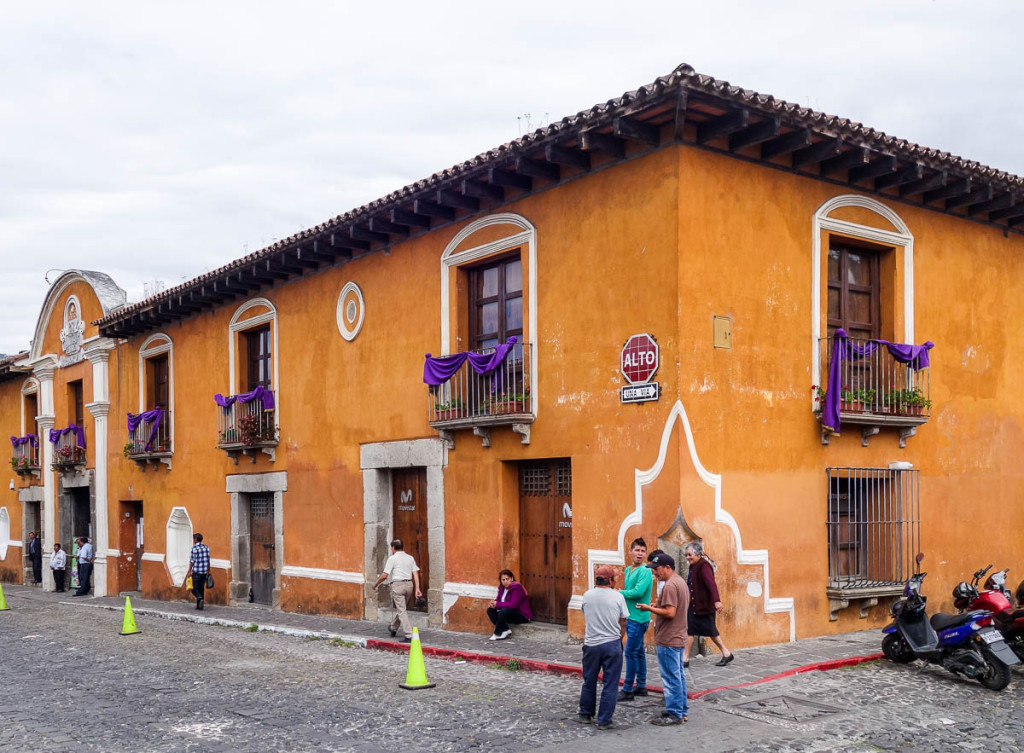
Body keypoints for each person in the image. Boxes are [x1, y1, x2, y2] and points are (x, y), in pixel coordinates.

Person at [637, 552, 689, 726]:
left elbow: (670, 612)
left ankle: (675, 713)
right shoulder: (680, 581)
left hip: (669, 638)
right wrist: (656, 606)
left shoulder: (669, 586)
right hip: (679, 635)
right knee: (678, 675)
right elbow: (671, 607)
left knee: (670, 677)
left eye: (657, 569)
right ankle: (681, 710)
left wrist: (648, 609)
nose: (655, 573)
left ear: (667, 567)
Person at [577, 565, 629, 731]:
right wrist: (620, 638)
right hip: (611, 642)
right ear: (611, 580)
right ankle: (604, 720)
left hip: (591, 643)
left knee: (589, 680)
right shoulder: (618, 597)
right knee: (610, 683)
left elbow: (585, 613)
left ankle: (585, 713)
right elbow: (623, 621)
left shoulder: (587, 595)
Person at [683, 542, 734, 668]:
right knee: (690, 630)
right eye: (686, 555)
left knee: (712, 632)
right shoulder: (693, 566)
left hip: (704, 606)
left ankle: (726, 653)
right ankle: (685, 658)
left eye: (690, 555)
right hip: (694, 606)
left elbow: (711, 584)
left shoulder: (704, 566)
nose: (688, 557)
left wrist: (717, 601)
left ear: (699, 554)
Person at [618, 537, 653, 701]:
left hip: (639, 618)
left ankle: (628, 689)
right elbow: (630, 592)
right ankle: (641, 686)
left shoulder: (645, 570)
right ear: (630, 551)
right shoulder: (628, 570)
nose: (640, 554)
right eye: (637, 550)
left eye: (643, 551)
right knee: (638, 653)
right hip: (632, 616)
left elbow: (638, 592)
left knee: (630, 652)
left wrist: (619, 593)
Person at [372, 539, 421, 643]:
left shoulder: (392, 559)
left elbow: (385, 575)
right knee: (402, 608)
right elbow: (415, 574)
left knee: (401, 610)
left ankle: (408, 634)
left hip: (398, 585)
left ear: (393, 548)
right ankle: (393, 627)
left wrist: (376, 584)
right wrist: (417, 588)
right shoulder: (410, 558)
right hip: (409, 585)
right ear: (402, 547)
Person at [486, 569, 533, 640]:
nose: (505, 582)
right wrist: (493, 604)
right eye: (503, 580)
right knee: (490, 610)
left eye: (507, 579)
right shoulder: (502, 588)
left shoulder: (517, 588)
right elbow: (498, 600)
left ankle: (497, 633)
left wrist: (498, 604)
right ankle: (505, 630)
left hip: (522, 615)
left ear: (512, 578)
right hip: (507, 613)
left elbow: (513, 605)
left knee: (504, 611)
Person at [185, 533, 210, 610]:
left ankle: (199, 598)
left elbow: (192, 561)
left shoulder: (194, 549)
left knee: (193, 588)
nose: (193, 540)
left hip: (196, 571)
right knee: (201, 588)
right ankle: (199, 605)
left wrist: (189, 571)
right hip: (204, 572)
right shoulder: (206, 548)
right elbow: (208, 560)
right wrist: (209, 570)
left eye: (194, 539)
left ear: (195, 539)